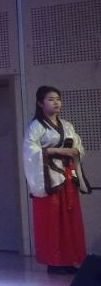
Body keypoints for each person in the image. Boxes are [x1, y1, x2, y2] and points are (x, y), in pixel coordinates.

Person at [22, 85, 91, 275]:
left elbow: (78, 147)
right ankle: (53, 262)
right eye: (51, 99)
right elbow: (30, 152)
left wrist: (75, 151)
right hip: (49, 178)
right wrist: (56, 150)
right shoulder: (35, 127)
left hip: (67, 176)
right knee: (52, 220)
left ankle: (69, 260)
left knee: (70, 218)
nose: (56, 103)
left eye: (58, 99)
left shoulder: (67, 125)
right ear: (40, 103)